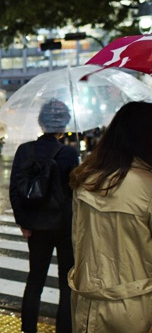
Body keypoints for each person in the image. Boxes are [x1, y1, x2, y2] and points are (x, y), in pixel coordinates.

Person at [68, 101, 152, 332]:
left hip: (87, 304)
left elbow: (78, 241)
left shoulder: (85, 181)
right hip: (139, 307)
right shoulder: (148, 185)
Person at [9, 99, 78, 333]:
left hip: (36, 227)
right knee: (66, 285)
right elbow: (75, 192)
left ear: (41, 122)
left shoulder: (25, 150)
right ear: (64, 124)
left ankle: (28, 330)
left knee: (35, 281)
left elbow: (14, 190)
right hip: (64, 226)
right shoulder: (69, 153)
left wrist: (23, 222)